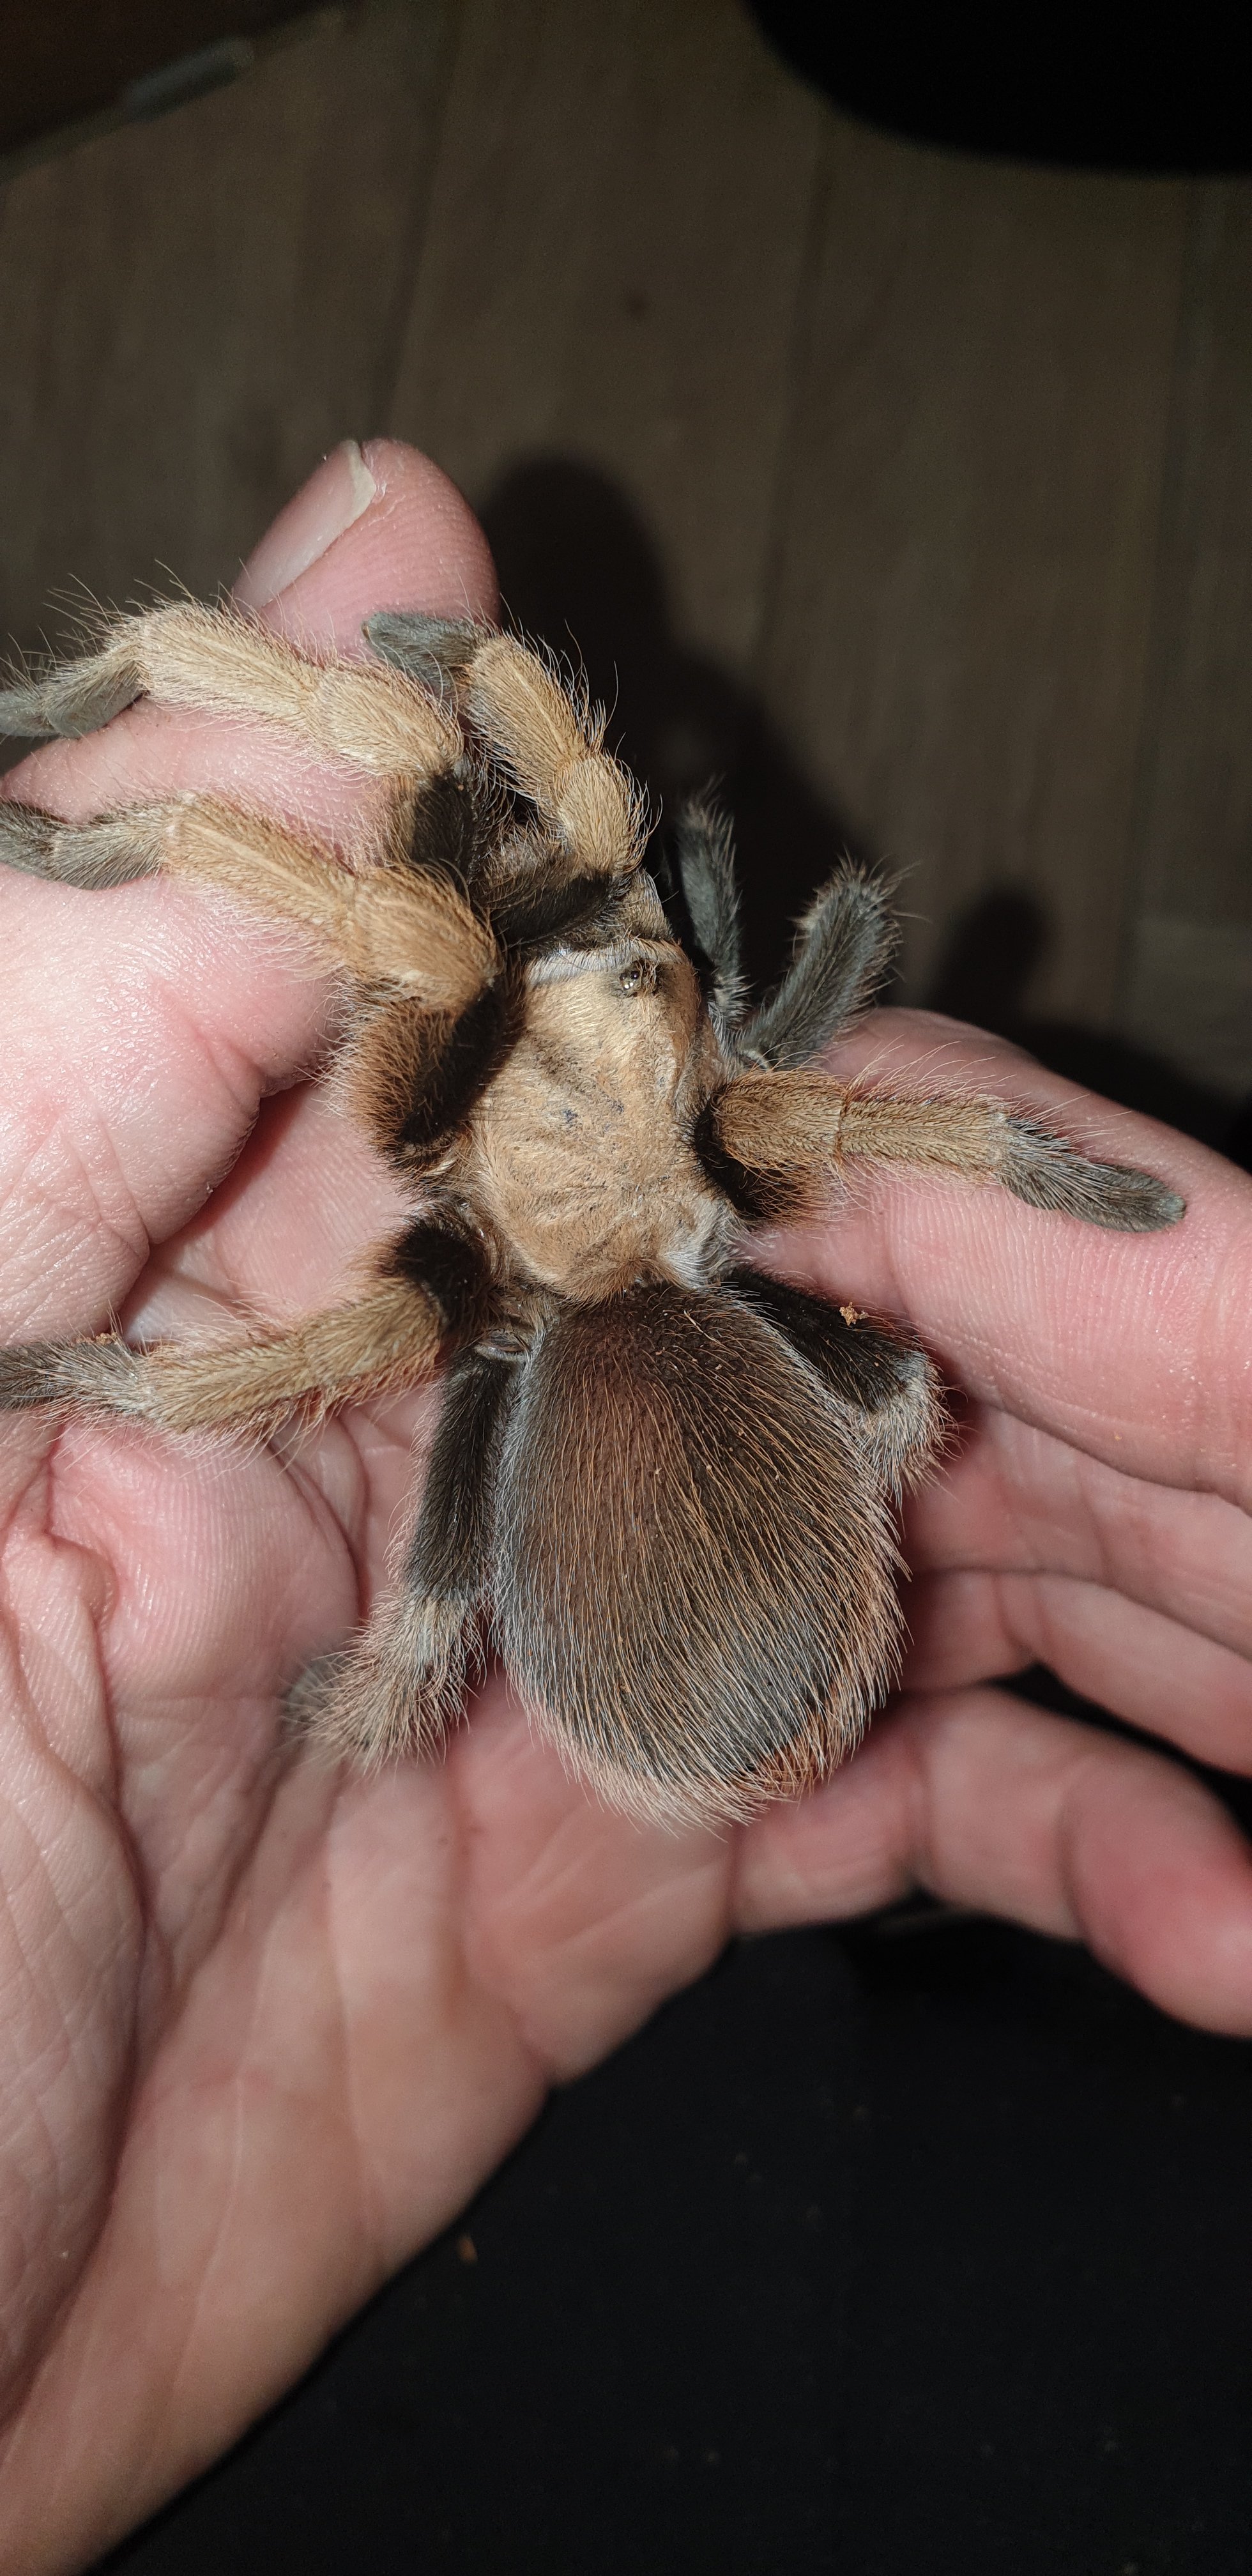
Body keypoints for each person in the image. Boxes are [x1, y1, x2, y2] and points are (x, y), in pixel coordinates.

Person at [0, 440, 1248, 2567]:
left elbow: (327, 1306)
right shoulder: (730, 1114)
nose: (620, 942)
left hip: (625, 1398)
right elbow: (626, 884)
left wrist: (153, 821)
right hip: (680, 1341)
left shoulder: (466, 1224)